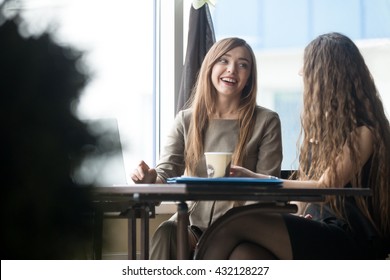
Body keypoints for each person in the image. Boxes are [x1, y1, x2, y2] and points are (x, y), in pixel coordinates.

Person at [194, 32, 390, 260]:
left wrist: (262, 180)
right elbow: (305, 193)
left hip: (348, 238)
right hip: (320, 226)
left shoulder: (365, 132)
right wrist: (297, 215)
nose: (300, 73)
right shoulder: (327, 133)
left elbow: (325, 188)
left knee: (233, 223)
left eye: (307, 67)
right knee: (245, 254)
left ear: (329, 75)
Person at [131, 37, 283, 259]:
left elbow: (266, 188)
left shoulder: (266, 121)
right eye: (224, 60)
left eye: (243, 65)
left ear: (249, 76)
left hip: (241, 227)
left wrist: (233, 229)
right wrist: (150, 180)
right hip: (192, 225)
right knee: (167, 233)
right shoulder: (186, 120)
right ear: (210, 66)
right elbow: (166, 172)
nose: (232, 69)